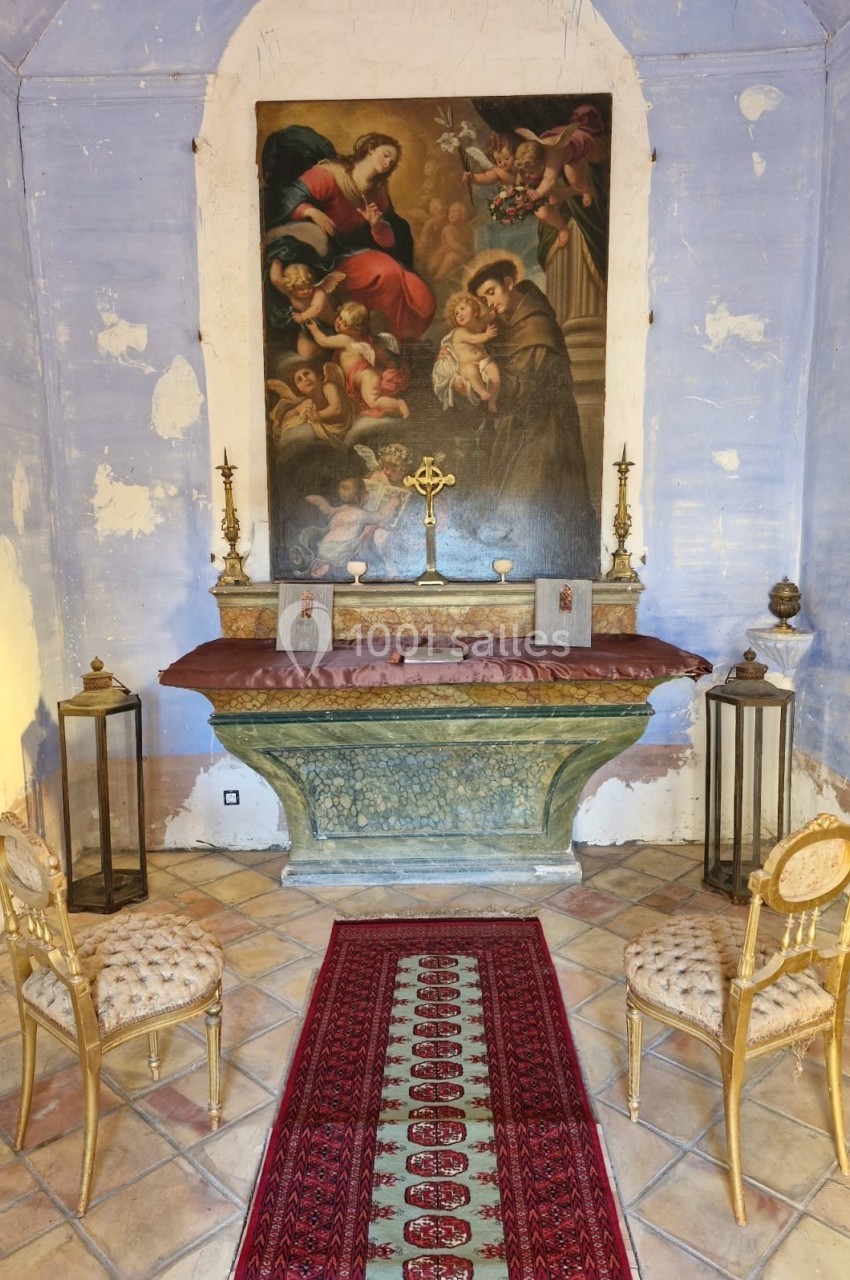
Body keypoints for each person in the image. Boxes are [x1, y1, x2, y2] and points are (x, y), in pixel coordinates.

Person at [466, 256, 596, 577]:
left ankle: (539, 570)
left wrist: (488, 380)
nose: (489, 303)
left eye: (492, 293)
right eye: (483, 300)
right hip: (520, 427)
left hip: (544, 430)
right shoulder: (510, 326)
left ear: (509, 283)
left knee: (526, 502)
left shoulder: (535, 323)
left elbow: (528, 383)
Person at [262, 128, 435, 341]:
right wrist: (310, 210)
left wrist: (376, 226)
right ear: (370, 149)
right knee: (388, 272)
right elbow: (285, 198)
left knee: (421, 297)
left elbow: (390, 240)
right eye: (386, 154)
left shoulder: (378, 196)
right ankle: (385, 340)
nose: (389, 162)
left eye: (393, 160)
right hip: (322, 259)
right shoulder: (330, 175)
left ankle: (394, 339)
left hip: (352, 254)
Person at [306, 302, 409, 419]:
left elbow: (323, 341)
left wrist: (314, 330)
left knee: (373, 402)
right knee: (373, 401)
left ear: (354, 330)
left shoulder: (344, 339)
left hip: (366, 378)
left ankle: (398, 404)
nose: (339, 323)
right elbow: (379, 353)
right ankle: (392, 409)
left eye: (345, 324)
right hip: (368, 375)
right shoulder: (362, 339)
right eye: (340, 318)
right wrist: (389, 365)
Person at [432, 292, 500, 410]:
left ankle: (492, 401)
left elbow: (488, 317)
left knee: (495, 376)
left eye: (463, 308)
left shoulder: (478, 324)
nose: (460, 314)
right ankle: (482, 393)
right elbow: (474, 338)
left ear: (474, 311)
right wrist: (487, 335)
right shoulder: (460, 332)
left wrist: (493, 312)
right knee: (471, 373)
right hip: (467, 366)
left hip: (483, 361)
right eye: (456, 313)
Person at [266, 361, 353, 447]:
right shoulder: (308, 401)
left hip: (344, 426)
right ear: (299, 389)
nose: (305, 379)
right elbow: (291, 414)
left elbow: (337, 408)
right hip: (329, 431)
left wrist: (318, 415)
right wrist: (291, 418)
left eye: (306, 373)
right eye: (299, 380)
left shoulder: (328, 387)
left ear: (319, 376)